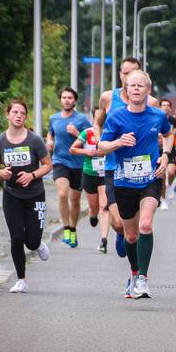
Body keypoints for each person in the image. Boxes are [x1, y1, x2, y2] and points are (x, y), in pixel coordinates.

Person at [98, 70, 174, 299]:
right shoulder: (116, 116)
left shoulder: (158, 116)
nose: (137, 89)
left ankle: (143, 278)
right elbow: (101, 146)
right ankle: (133, 273)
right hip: (124, 180)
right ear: (126, 90)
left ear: (148, 90)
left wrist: (166, 155)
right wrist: (118, 142)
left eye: (141, 85)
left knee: (146, 225)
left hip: (151, 178)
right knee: (130, 235)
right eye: (133, 85)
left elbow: (169, 135)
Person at [98, 57, 159, 256]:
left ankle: (138, 267)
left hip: (142, 171)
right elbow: (98, 123)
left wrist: (161, 150)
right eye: (125, 73)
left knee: (141, 225)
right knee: (117, 223)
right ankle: (121, 233)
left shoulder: (151, 102)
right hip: (113, 166)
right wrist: (107, 144)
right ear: (120, 75)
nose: (128, 78)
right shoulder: (108, 97)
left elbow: (161, 130)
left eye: (133, 73)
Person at [0, 99, 52, 292]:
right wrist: (1, 173)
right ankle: (21, 280)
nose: (18, 116)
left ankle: (38, 243)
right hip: (12, 195)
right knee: (16, 237)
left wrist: (32, 175)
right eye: (15, 112)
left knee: (31, 242)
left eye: (22, 113)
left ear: (25, 117)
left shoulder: (34, 140)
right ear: (7, 114)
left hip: (35, 194)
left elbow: (48, 165)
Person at [47, 87, 91, 248]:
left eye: (70, 98)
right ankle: (66, 228)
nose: (66, 100)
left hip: (78, 164)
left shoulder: (82, 120)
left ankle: (73, 228)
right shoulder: (54, 118)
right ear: (60, 100)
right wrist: (49, 141)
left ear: (74, 101)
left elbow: (92, 140)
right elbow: (50, 132)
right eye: (64, 97)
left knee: (75, 199)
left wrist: (76, 133)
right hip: (60, 161)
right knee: (62, 193)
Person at [69, 107, 110, 253]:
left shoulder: (110, 132)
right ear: (94, 119)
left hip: (106, 174)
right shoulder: (87, 133)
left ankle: (104, 241)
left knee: (104, 207)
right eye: (98, 118)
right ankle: (93, 216)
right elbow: (72, 149)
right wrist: (86, 151)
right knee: (94, 208)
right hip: (89, 173)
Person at [159, 98, 176, 209]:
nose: (165, 107)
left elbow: (175, 130)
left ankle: (169, 185)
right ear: (160, 107)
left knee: (171, 172)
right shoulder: (156, 119)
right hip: (159, 149)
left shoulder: (172, 120)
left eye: (167, 105)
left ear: (170, 108)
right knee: (162, 175)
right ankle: (163, 199)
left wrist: (172, 133)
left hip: (170, 148)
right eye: (163, 105)